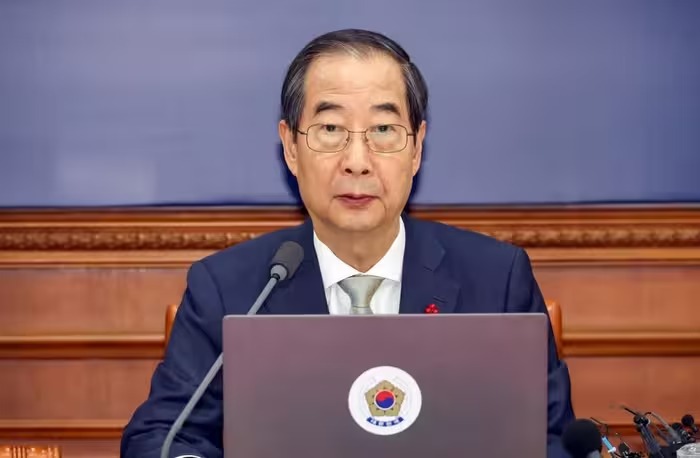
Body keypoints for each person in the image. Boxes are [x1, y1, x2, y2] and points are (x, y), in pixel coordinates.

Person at [121, 28, 575, 457]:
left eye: (383, 130)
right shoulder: (229, 289)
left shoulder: (496, 280)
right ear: (291, 147)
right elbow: (163, 436)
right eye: (331, 129)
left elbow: (552, 440)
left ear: (416, 147)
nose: (357, 162)